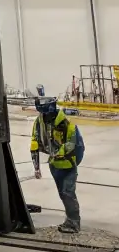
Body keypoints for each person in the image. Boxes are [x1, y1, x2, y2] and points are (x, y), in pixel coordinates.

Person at [31, 95, 81, 233]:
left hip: (68, 165)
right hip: (54, 165)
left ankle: (74, 223)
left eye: (47, 113)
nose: (45, 116)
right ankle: (70, 220)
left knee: (68, 193)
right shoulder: (39, 122)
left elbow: (72, 143)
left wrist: (60, 152)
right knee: (62, 193)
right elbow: (35, 143)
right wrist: (36, 167)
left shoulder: (66, 122)